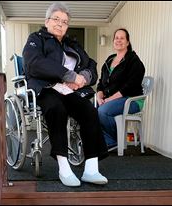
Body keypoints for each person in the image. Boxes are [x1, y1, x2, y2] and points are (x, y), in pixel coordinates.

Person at [22, 2, 108, 187]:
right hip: (46, 88)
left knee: (90, 112)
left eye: (65, 21)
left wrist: (83, 77)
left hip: (70, 90)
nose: (60, 24)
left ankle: (91, 169)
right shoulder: (36, 39)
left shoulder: (72, 44)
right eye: (56, 19)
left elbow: (90, 64)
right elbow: (34, 63)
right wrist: (68, 75)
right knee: (56, 109)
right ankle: (64, 166)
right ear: (47, 21)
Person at [96, 28, 145, 148]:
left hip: (131, 99)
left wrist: (109, 99)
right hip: (110, 99)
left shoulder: (133, 61)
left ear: (128, 42)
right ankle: (103, 140)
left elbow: (130, 86)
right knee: (88, 109)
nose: (119, 40)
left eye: (122, 38)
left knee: (102, 111)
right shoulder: (110, 60)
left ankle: (114, 140)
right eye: (116, 38)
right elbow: (101, 82)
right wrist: (99, 95)